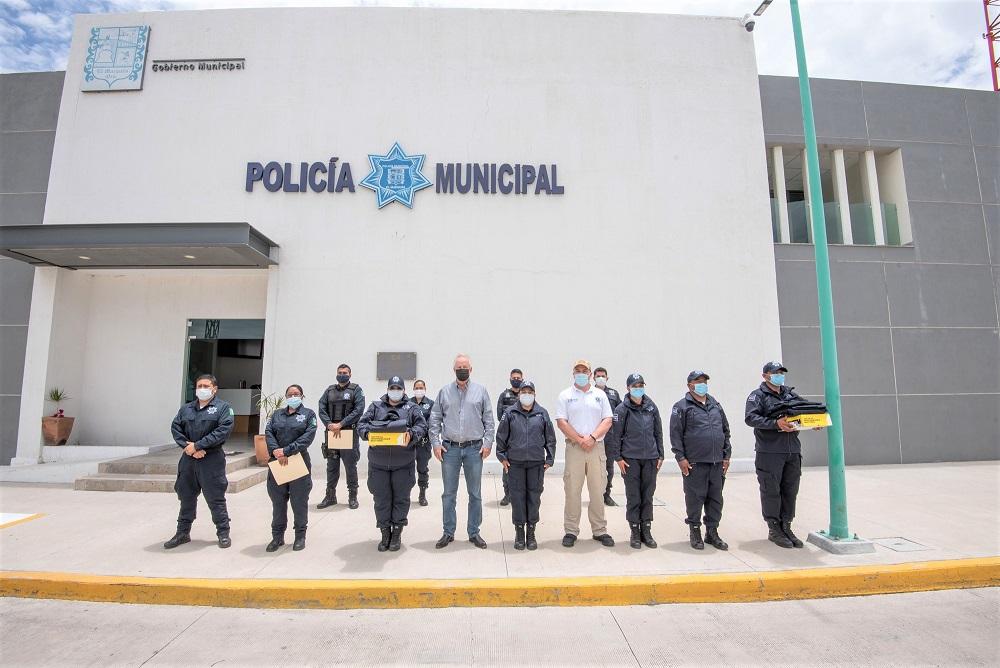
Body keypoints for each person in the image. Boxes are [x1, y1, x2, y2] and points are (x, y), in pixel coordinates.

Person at [428, 354, 495, 549]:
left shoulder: (481, 391)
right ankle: (448, 532)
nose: (462, 369)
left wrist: (488, 443)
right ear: (454, 370)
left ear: (471, 369)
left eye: (465, 366)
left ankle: (474, 532)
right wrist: (436, 443)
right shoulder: (444, 392)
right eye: (459, 367)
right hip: (450, 449)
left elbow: (489, 420)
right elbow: (434, 419)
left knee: (475, 493)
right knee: (449, 494)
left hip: (475, 449)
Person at [164, 374, 235, 550]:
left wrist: (197, 445)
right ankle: (182, 533)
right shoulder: (186, 409)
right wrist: (188, 447)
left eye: (206, 386)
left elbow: (223, 431)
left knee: (215, 498)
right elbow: (175, 428)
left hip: (211, 459)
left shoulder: (223, 408)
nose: (202, 389)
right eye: (199, 385)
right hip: (189, 459)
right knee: (186, 497)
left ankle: (223, 533)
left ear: (214, 389)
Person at [357, 376, 427, 552]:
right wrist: (367, 434)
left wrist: (412, 434)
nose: (395, 390)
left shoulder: (412, 408)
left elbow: (422, 426)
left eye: (398, 388)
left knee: (401, 499)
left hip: (403, 463)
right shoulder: (375, 407)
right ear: (388, 388)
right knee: (381, 499)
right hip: (378, 464)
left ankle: (397, 531)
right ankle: (384, 532)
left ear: (403, 390)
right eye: (392, 387)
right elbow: (361, 425)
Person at [745, 361, 806, 549]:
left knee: (790, 490)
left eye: (781, 372)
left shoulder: (790, 394)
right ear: (765, 376)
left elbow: (805, 411)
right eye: (775, 372)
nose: (779, 375)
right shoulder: (757, 396)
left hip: (792, 450)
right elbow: (751, 418)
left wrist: (812, 422)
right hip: (770, 451)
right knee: (771, 490)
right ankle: (774, 529)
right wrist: (775, 424)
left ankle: (786, 526)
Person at [555, 359, 615, 548]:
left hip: (596, 448)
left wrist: (592, 437)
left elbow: (608, 419)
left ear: (590, 374)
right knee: (573, 491)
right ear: (573, 373)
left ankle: (599, 530)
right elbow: (561, 422)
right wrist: (580, 440)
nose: (581, 373)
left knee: (597, 490)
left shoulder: (600, 395)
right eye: (577, 370)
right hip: (575, 448)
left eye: (584, 370)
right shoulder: (565, 395)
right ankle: (571, 530)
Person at [669, 370, 731, 551]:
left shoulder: (716, 405)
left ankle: (712, 532)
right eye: (698, 381)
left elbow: (725, 431)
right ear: (689, 385)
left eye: (704, 381)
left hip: (716, 462)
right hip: (695, 463)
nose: (702, 384)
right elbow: (676, 435)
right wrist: (680, 457)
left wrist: (726, 455)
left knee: (716, 499)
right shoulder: (681, 407)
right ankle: (695, 531)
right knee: (695, 498)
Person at [495, 381, 556, 551]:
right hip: (515, 463)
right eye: (524, 391)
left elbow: (550, 438)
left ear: (534, 394)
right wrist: (502, 456)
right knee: (517, 498)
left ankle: (531, 532)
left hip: (536, 463)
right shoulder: (510, 412)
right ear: (519, 393)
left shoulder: (542, 413)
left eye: (530, 391)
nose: (526, 394)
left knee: (534, 498)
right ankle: (519, 532)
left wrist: (549, 459)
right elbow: (501, 437)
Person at [606, 373, 663, 549]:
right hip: (630, 460)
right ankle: (635, 531)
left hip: (651, 458)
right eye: (635, 386)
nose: (638, 389)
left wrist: (660, 455)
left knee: (647, 495)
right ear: (628, 388)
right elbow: (616, 436)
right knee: (634, 496)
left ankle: (647, 529)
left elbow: (658, 432)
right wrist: (618, 458)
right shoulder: (622, 410)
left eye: (641, 385)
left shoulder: (651, 407)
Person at [264, 384, 317, 552]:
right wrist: (276, 451)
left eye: (297, 394)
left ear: (302, 396)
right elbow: (269, 432)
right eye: (290, 394)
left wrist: (287, 451)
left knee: (299, 501)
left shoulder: (308, 415)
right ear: (286, 396)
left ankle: (300, 536)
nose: (293, 396)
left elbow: (308, 437)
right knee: (278, 502)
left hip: (298, 461)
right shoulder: (276, 415)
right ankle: (277, 537)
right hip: (278, 462)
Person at [317, 363, 365, 510]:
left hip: (348, 433)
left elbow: (358, 410)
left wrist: (341, 424)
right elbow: (321, 407)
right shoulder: (329, 390)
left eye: (345, 372)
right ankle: (330, 496)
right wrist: (329, 424)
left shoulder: (356, 390)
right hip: (332, 433)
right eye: (340, 372)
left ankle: (352, 496)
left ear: (350, 374)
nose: (342, 374)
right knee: (331, 466)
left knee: (350, 466)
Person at [593, 366, 622, 507]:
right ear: (593, 378)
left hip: (610, 437)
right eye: (598, 376)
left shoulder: (613, 394)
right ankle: (595, 494)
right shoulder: (589, 393)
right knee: (594, 468)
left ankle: (606, 494)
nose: (600, 378)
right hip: (593, 436)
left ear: (607, 377)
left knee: (608, 467)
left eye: (603, 376)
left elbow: (620, 413)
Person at [495, 368, 524, 506]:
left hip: (523, 436)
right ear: (510, 378)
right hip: (508, 436)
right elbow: (500, 416)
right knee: (507, 465)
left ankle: (520, 494)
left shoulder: (526, 394)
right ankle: (507, 495)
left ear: (522, 379)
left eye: (518, 378)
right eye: (514, 378)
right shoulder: (504, 395)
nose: (516, 380)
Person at [409, 379, 435, 506]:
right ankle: (404, 494)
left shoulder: (430, 404)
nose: (419, 389)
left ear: (425, 388)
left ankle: (422, 494)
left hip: (423, 444)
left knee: (422, 469)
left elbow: (432, 423)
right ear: (413, 389)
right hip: (409, 443)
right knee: (406, 470)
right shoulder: (407, 403)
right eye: (416, 387)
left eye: (421, 387)